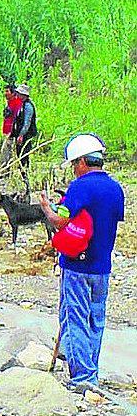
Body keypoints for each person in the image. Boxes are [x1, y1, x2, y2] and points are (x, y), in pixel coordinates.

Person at [39, 134, 124, 391]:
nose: (75, 170)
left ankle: (82, 378)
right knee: (95, 319)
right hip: (102, 267)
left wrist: (46, 207)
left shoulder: (79, 187)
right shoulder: (116, 189)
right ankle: (92, 373)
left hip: (76, 265)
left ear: (82, 162)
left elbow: (60, 221)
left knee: (74, 317)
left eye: (75, 164)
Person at [9, 84, 38, 181]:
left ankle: (25, 174)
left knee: (24, 154)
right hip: (20, 133)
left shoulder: (28, 106)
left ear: (24, 95)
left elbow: (27, 123)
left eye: (19, 93)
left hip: (26, 134)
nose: (17, 95)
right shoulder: (20, 104)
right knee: (19, 154)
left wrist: (21, 135)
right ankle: (23, 173)